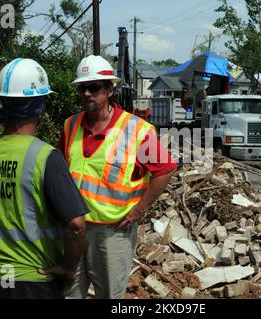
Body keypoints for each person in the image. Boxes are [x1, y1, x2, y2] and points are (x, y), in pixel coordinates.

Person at [0, 58, 88, 299]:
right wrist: (69, 270)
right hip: (34, 282)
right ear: (41, 106)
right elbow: (76, 225)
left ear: (1, 102)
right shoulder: (46, 157)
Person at [57, 55, 178, 299]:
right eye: (83, 88)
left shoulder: (136, 130)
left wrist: (139, 210)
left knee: (111, 296)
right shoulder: (70, 126)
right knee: (70, 294)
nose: (87, 94)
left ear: (110, 89)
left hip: (113, 233)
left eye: (94, 88)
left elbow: (165, 170)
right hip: (74, 228)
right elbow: (59, 169)